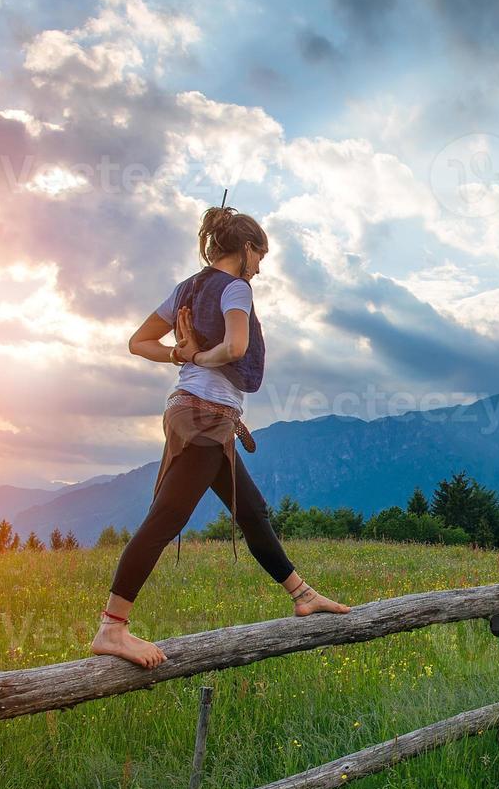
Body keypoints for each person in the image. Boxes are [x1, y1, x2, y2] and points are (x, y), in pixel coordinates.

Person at [91, 205, 350, 669]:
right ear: (247, 249)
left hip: (194, 414)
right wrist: (199, 357)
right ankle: (112, 628)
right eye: (260, 257)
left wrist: (178, 354)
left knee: (251, 511)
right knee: (167, 517)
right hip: (206, 418)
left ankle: (302, 594)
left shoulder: (185, 288)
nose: (260, 268)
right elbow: (235, 348)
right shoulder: (236, 289)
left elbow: (138, 342)